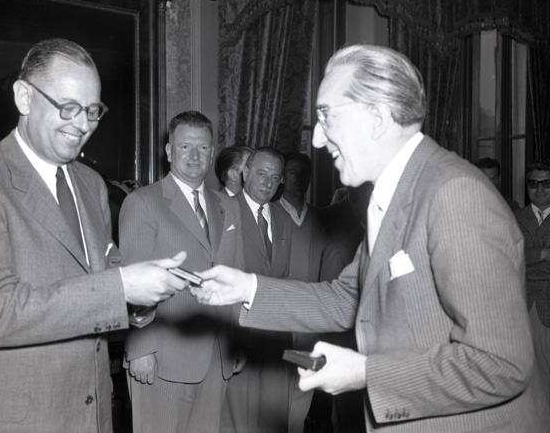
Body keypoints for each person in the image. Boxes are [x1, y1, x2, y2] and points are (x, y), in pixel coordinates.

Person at [191, 44, 549, 432]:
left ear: (376, 118)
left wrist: (366, 373)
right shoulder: (393, 196)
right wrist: (247, 288)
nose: (318, 139)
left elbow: (500, 364)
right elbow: (349, 297)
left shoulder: (453, 193)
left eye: (327, 115)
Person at [0, 38, 189, 433]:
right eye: (68, 107)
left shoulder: (90, 184)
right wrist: (122, 287)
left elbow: (103, 278)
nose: (83, 124)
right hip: (7, 419)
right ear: (24, 97)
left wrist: (142, 300)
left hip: (86, 413)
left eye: (92, 110)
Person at [118, 110, 244, 433]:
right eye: (185, 146)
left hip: (217, 356)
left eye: (202, 148)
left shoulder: (228, 206)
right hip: (163, 358)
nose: (194, 156)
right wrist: (141, 349)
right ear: (169, 151)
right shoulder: (143, 203)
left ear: (212, 153)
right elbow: (131, 285)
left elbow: (236, 276)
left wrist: (238, 341)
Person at [222, 146, 294, 433]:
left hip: (276, 339)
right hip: (238, 336)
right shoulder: (222, 210)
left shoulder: (283, 218)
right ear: (245, 173)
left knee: (275, 422)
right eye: (262, 174)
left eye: (275, 178)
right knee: (239, 423)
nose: (268, 183)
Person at [275, 151, 327, 433]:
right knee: (277, 388)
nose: (299, 178)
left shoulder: (320, 218)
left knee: (304, 385)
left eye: (304, 173)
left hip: (310, 322)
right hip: (279, 320)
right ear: (283, 177)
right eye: (292, 172)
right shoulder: (270, 213)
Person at [515, 159, 550, 412]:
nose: (539, 190)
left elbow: (519, 259)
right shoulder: (515, 218)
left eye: (547, 183)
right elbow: (507, 257)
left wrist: (526, 260)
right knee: (529, 377)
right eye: (533, 184)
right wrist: (543, 254)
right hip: (523, 307)